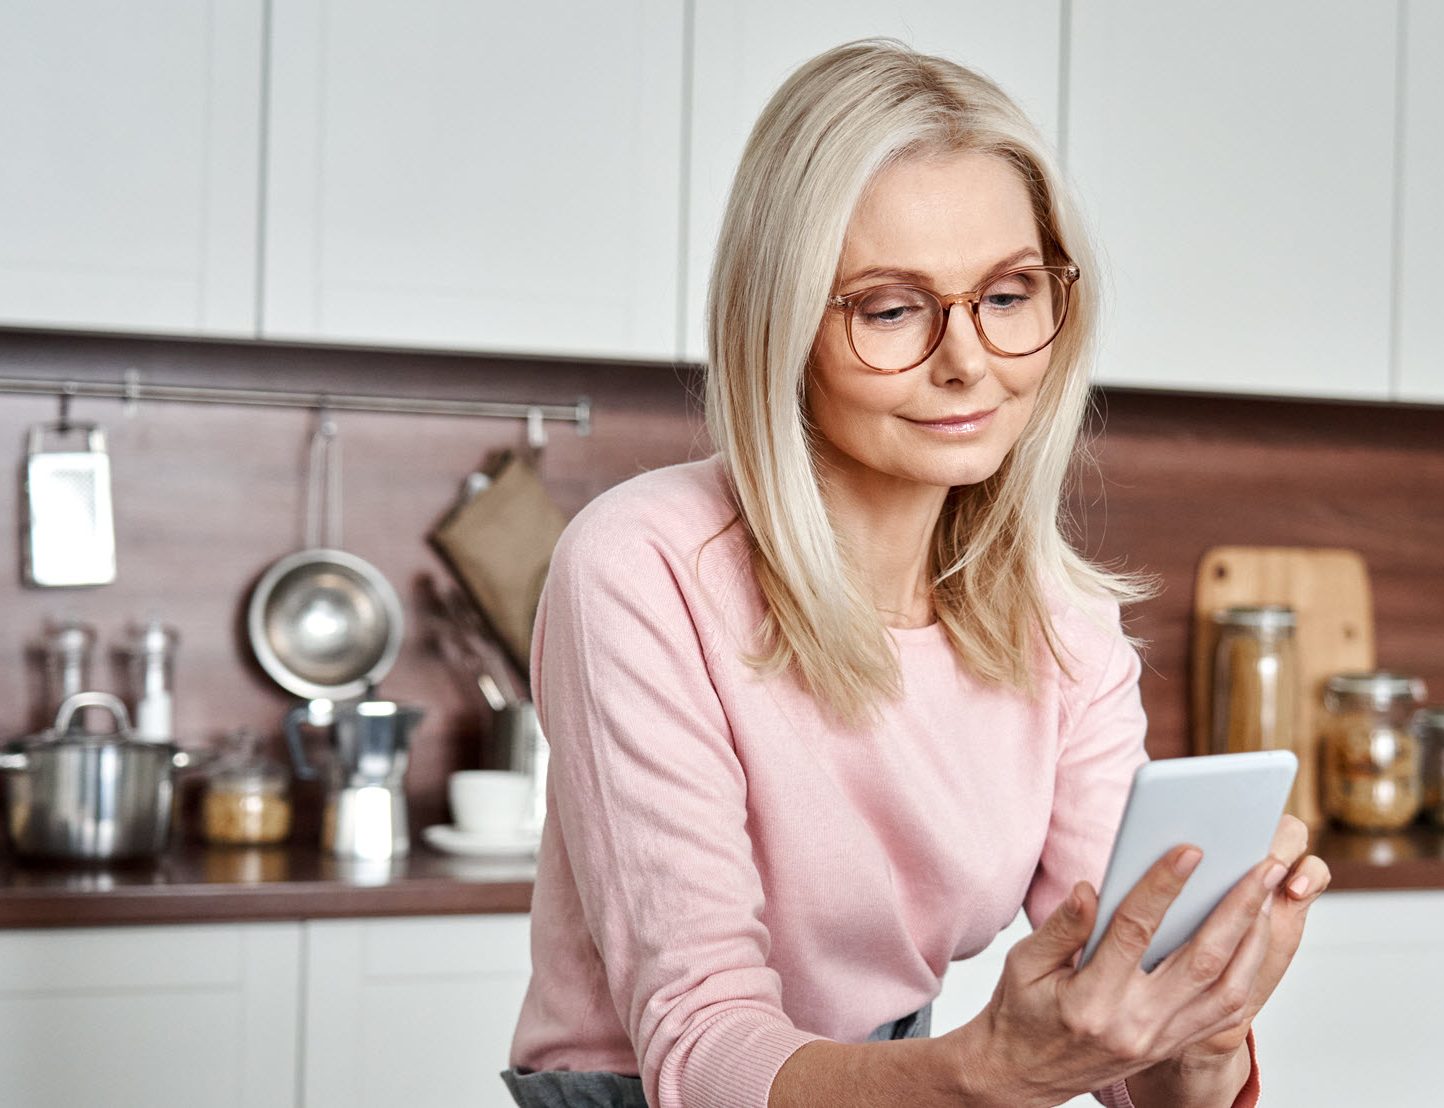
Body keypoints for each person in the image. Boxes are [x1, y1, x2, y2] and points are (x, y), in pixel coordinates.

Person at [503, 39, 1329, 1108]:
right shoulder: (642, 564)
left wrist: (1202, 1028)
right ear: (782, 325)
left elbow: (1135, 1070)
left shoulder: (1058, 617)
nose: (967, 358)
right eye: (891, 308)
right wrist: (989, 1070)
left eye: (1007, 293)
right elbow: (701, 1049)